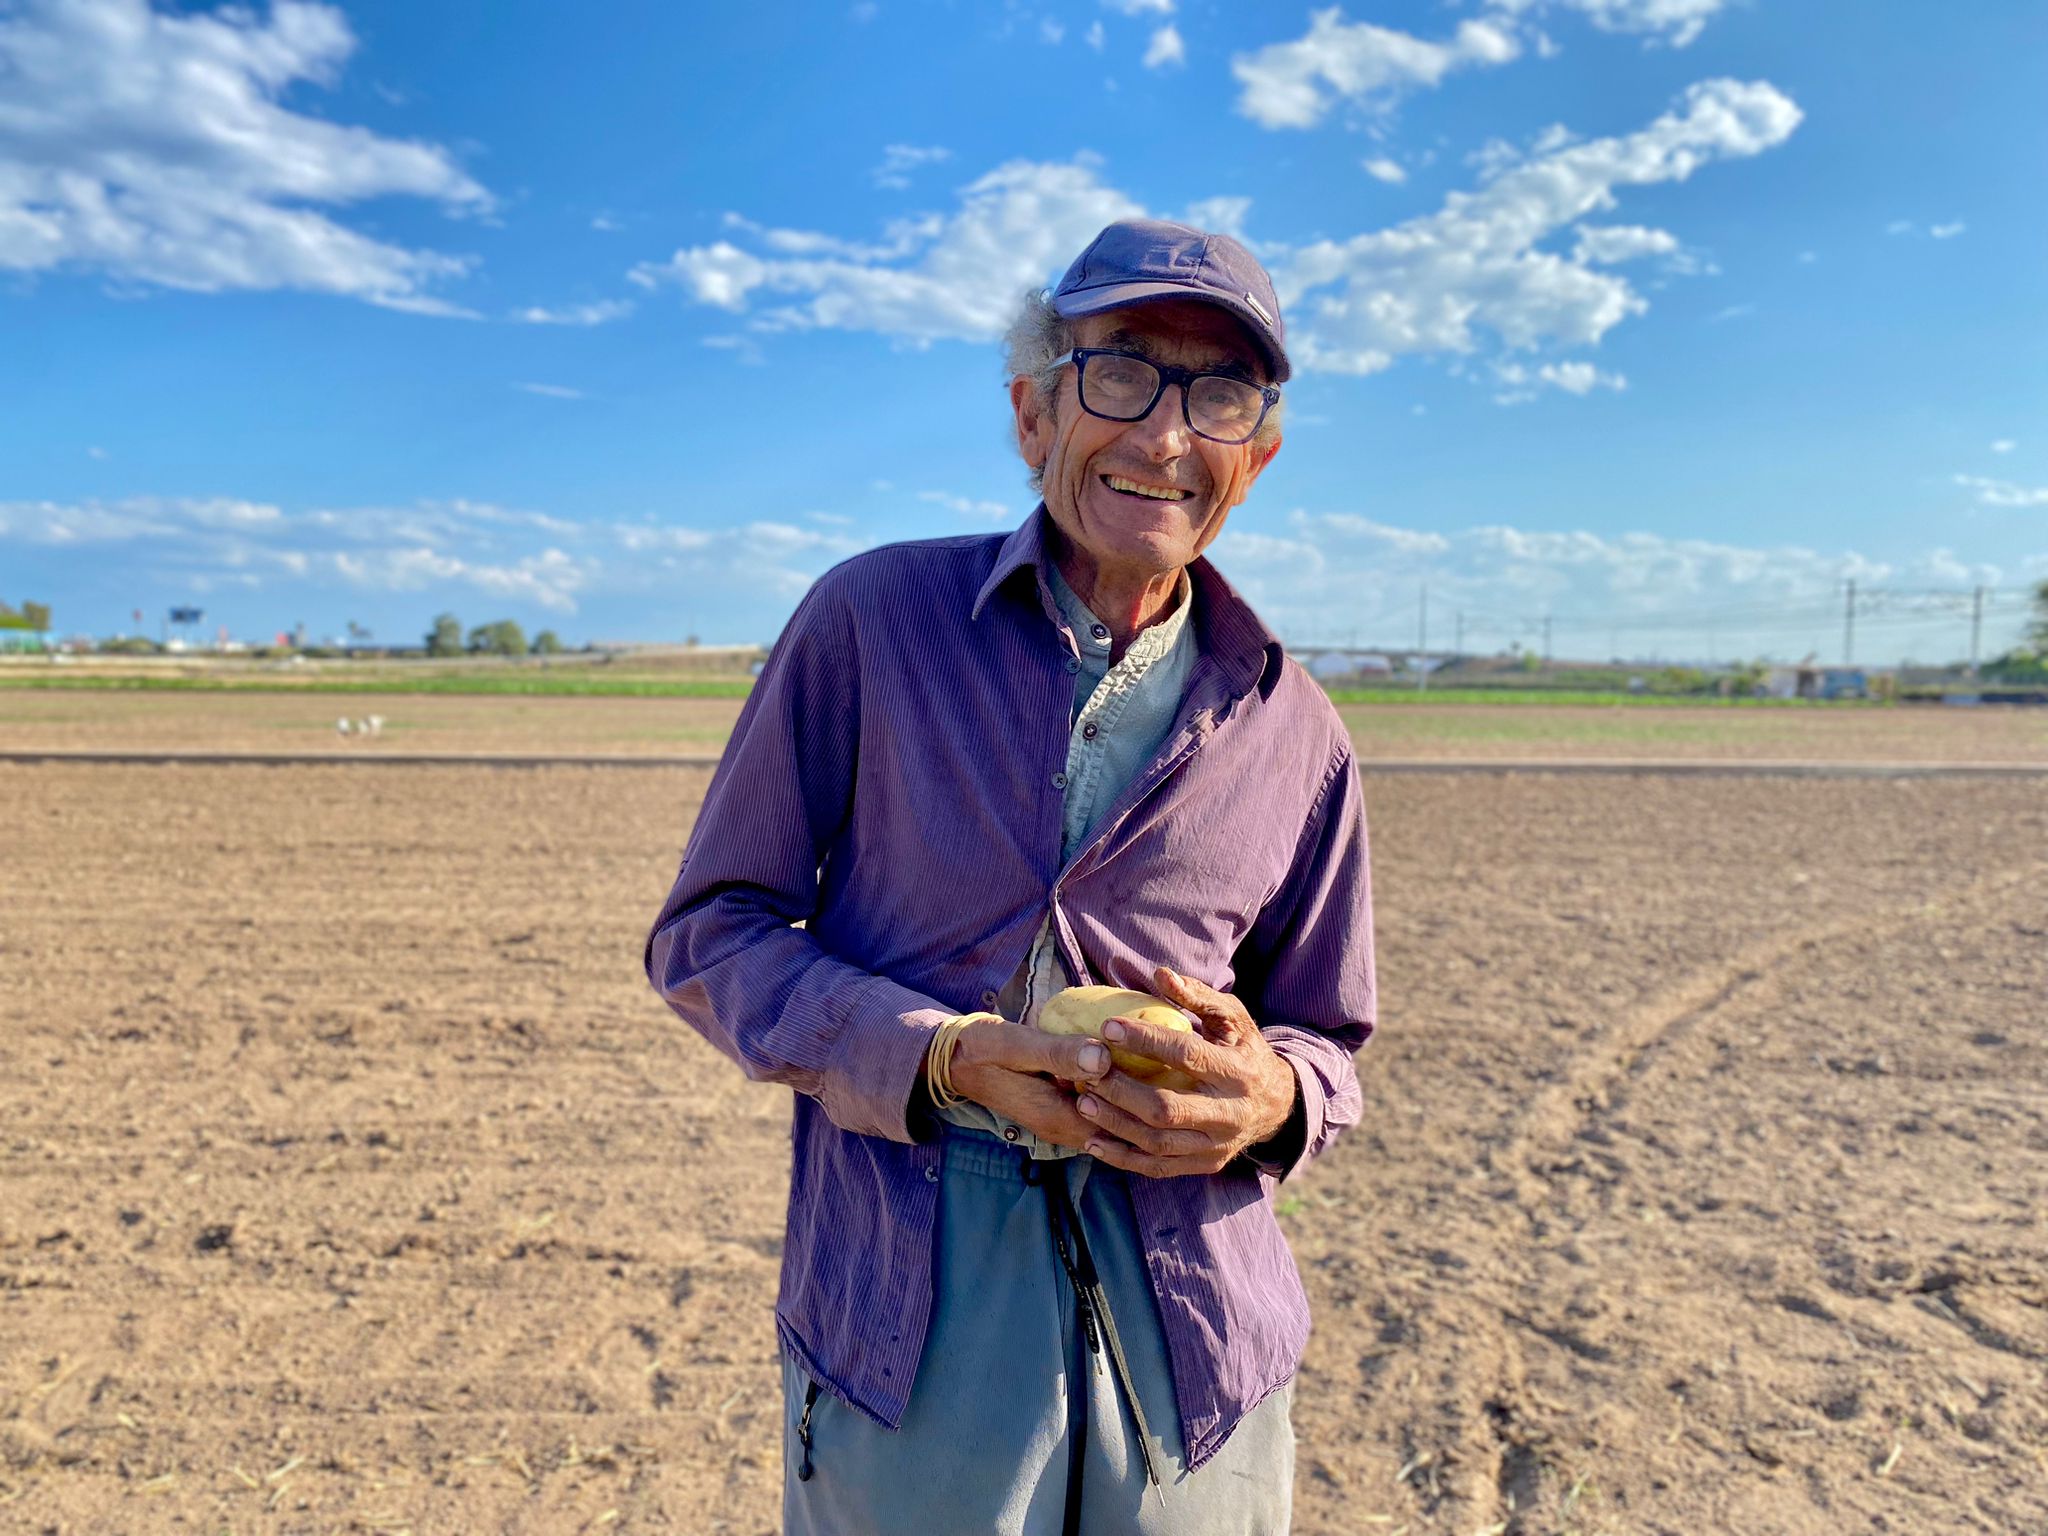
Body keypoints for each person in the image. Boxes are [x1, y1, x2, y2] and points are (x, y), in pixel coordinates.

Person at [646, 217, 1376, 1535]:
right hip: (910, 1335)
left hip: (1197, 1350)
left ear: (1254, 460)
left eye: (1218, 393)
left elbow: (1328, 1041)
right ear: (1034, 410)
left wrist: (1267, 1097)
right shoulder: (870, 626)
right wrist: (935, 1055)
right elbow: (711, 934)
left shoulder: (1296, 727)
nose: (1165, 434)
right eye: (1122, 370)